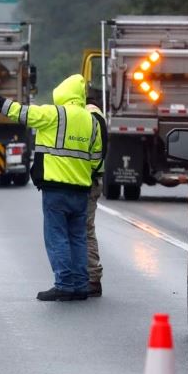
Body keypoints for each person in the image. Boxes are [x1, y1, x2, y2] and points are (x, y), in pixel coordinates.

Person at [0, 74, 102, 301]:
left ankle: (64, 284)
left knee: (57, 237)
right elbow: (96, 157)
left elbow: (17, 111)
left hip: (56, 189)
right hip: (82, 189)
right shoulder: (91, 120)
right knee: (78, 237)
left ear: (62, 93)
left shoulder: (54, 114)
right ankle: (81, 285)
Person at [85, 100, 107, 297]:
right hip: (94, 180)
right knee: (86, 229)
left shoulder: (89, 117)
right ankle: (90, 277)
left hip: (88, 182)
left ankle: (92, 278)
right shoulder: (99, 116)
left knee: (84, 229)